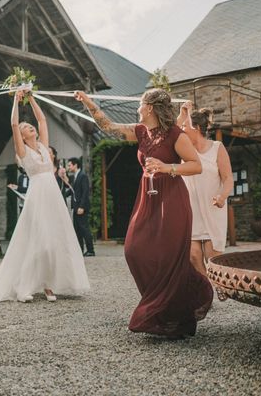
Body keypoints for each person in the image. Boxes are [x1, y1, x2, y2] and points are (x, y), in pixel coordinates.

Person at [75, 88, 213, 338]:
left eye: (139, 105)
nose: (137, 109)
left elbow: (196, 165)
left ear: (149, 107)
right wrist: (87, 102)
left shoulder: (175, 135)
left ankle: (167, 316)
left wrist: (166, 166)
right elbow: (107, 126)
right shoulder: (140, 132)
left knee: (169, 258)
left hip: (172, 200)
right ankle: (167, 302)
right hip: (147, 200)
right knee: (134, 249)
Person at [0, 90, 90, 304]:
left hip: (53, 196)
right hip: (37, 196)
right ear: (21, 135)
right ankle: (24, 286)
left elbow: (41, 119)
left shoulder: (43, 146)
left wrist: (31, 97)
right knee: (39, 241)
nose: (29, 127)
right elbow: (13, 125)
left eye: (29, 126)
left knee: (56, 239)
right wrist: (15, 98)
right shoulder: (22, 151)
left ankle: (49, 286)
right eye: (25, 127)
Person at [177, 102, 233, 279]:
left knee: (213, 257)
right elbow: (172, 131)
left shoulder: (217, 147)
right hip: (190, 209)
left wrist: (223, 196)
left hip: (212, 208)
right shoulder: (183, 151)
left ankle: (220, 285)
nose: (182, 130)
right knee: (193, 256)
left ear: (195, 128)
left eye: (186, 126)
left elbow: (227, 178)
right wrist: (183, 112)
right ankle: (207, 291)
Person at [67, 158, 95, 256]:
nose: (68, 167)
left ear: (75, 165)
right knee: (77, 229)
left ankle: (91, 250)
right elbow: (72, 190)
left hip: (81, 208)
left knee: (84, 229)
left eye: (69, 165)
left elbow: (85, 192)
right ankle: (80, 250)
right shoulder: (75, 176)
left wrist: (82, 207)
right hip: (76, 207)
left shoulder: (82, 176)